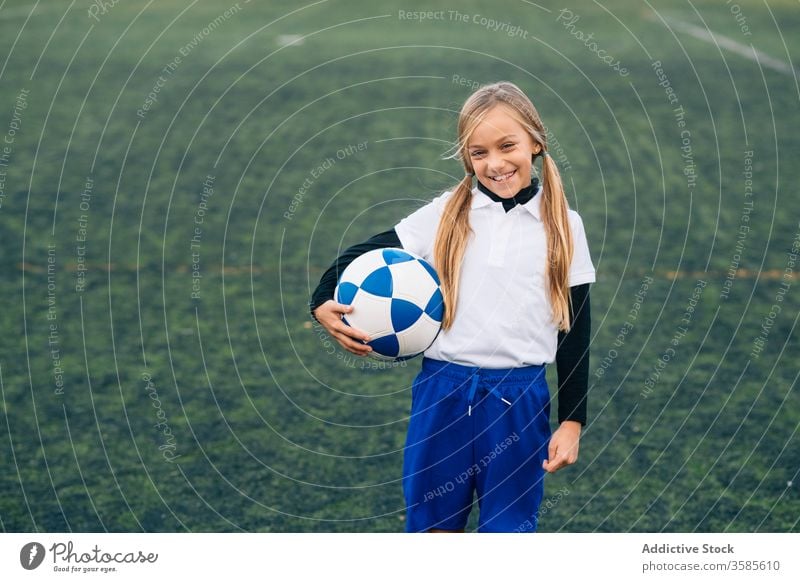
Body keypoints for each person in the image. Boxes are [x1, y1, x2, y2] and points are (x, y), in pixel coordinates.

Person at [309, 81, 596, 533]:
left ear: (536, 143)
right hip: (443, 392)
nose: (495, 163)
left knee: (509, 530)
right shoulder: (448, 213)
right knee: (432, 528)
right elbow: (362, 254)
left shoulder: (563, 224)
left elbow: (575, 331)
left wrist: (572, 420)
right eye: (479, 153)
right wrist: (321, 301)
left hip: (520, 399)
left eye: (507, 146)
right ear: (467, 159)